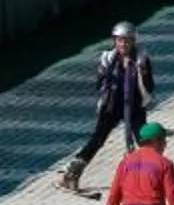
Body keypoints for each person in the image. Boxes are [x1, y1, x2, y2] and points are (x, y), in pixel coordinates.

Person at [58, 21, 157, 193]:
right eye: (120, 40)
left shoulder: (141, 59)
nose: (123, 44)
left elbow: (149, 87)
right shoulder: (108, 59)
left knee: (144, 141)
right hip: (112, 106)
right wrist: (104, 76)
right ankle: (71, 174)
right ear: (114, 41)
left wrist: (143, 72)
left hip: (134, 107)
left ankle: (155, 177)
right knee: (97, 140)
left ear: (134, 41)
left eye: (127, 40)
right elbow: (99, 85)